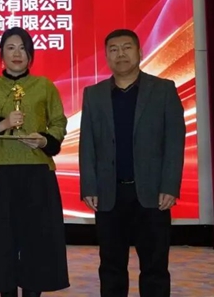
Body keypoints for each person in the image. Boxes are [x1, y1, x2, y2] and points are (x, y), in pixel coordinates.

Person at [78, 29, 185, 297]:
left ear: (139, 52)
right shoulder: (94, 94)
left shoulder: (163, 90)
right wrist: (89, 186)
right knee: (111, 268)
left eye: (127, 47)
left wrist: (170, 186)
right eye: (113, 49)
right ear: (106, 56)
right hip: (109, 194)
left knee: (155, 268)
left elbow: (174, 141)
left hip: (152, 193)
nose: (120, 54)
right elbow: (87, 144)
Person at [0, 27, 69, 297]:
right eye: (10, 47)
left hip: (37, 173)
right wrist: (1, 124)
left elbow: (58, 123)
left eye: (23, 48)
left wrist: (45, 140)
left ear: (31, 54)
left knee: (38, 241)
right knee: (0, 242)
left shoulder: (44, 86)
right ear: (1, 53)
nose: (17, 53)